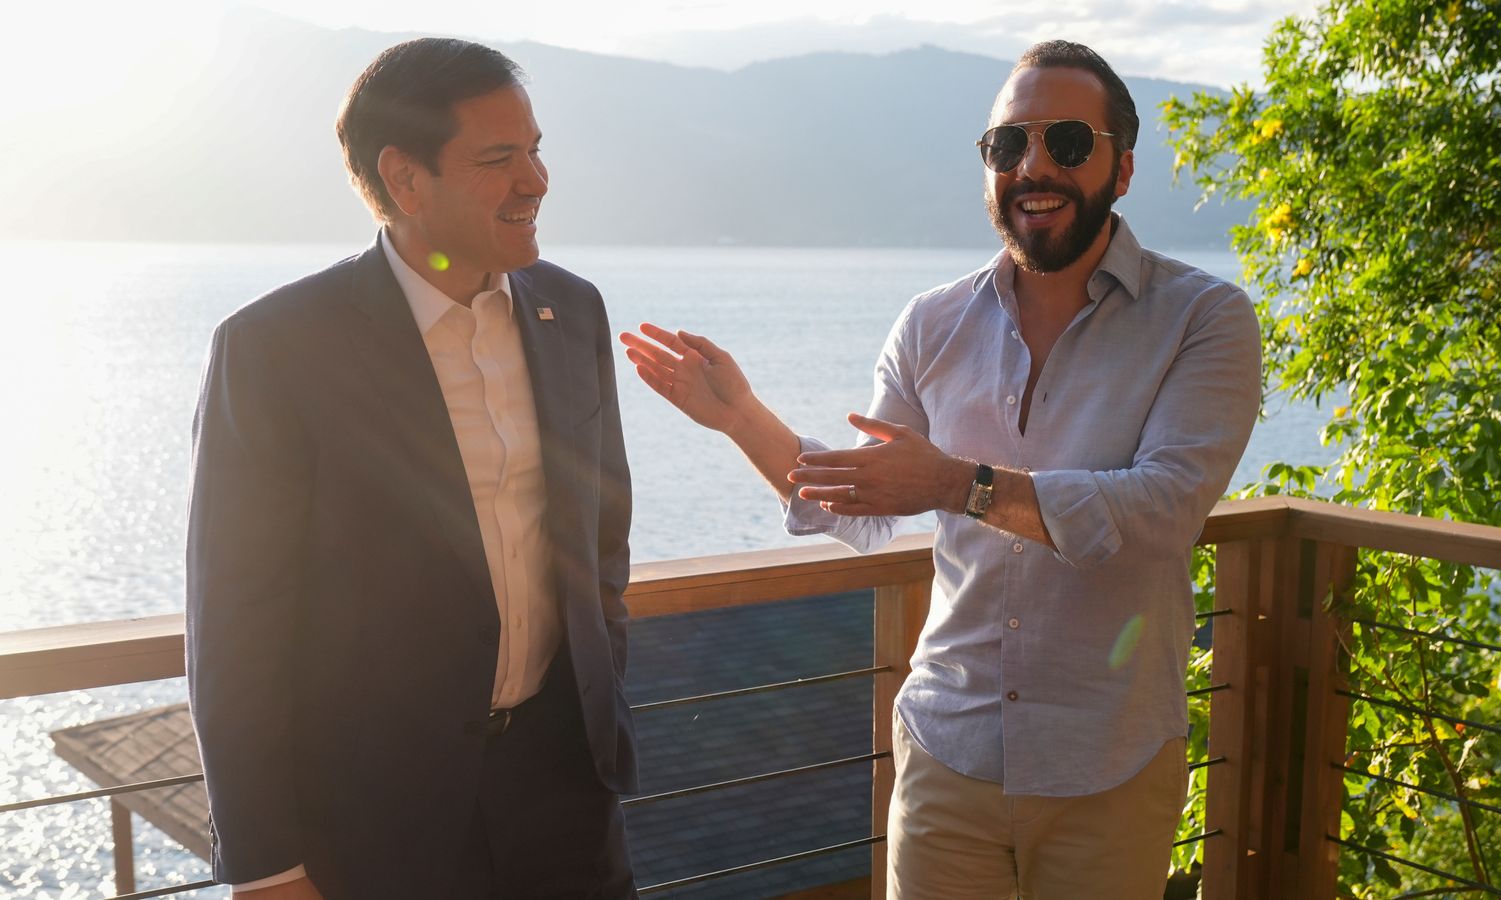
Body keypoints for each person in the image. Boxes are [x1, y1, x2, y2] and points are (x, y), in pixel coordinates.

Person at [620, 40, 1260, 899]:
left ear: (1124, 167)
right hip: (947, 755)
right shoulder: (931, 324)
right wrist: (738, 415)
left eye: (1067, 142)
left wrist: (960, 486)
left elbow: (1160, 514)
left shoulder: (1205, 320)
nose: (1035, 165)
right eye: (1008, 145)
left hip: (1108, 765)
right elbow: (864, 505)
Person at [186, 38, 636, 899]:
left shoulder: (570, 311)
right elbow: (235, 627)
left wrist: (598, 703)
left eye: (536, 149)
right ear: (405, 178)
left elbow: (599, 540)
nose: (536, 180)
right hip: (374, 828)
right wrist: (265, 866)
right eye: (499, 158)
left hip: (568, 804)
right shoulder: (275, 348)